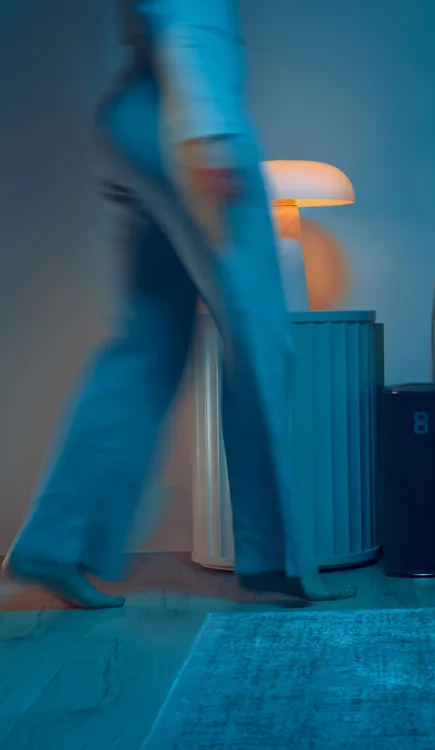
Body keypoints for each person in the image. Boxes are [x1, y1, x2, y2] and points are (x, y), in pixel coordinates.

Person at [1, 0, 356, 608]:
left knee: (147, 345)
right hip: (188, 123)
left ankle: (55, 543)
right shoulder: (200, 113)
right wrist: (208, 128)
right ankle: (277, 561)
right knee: (261, 342)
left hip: (134, 117)